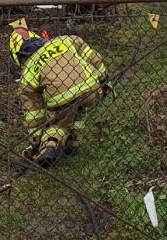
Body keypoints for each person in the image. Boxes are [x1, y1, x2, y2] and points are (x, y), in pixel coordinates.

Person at [9, 27, 107, 166]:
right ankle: (73, 145)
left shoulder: (28, 72)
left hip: (61, 101)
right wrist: (104, 78)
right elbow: (93, 57)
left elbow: (34, 112)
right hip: (90, 88)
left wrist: (36, 139)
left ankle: (49, 146)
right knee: (79, 111)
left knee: (58, 124)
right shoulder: (64, 41)